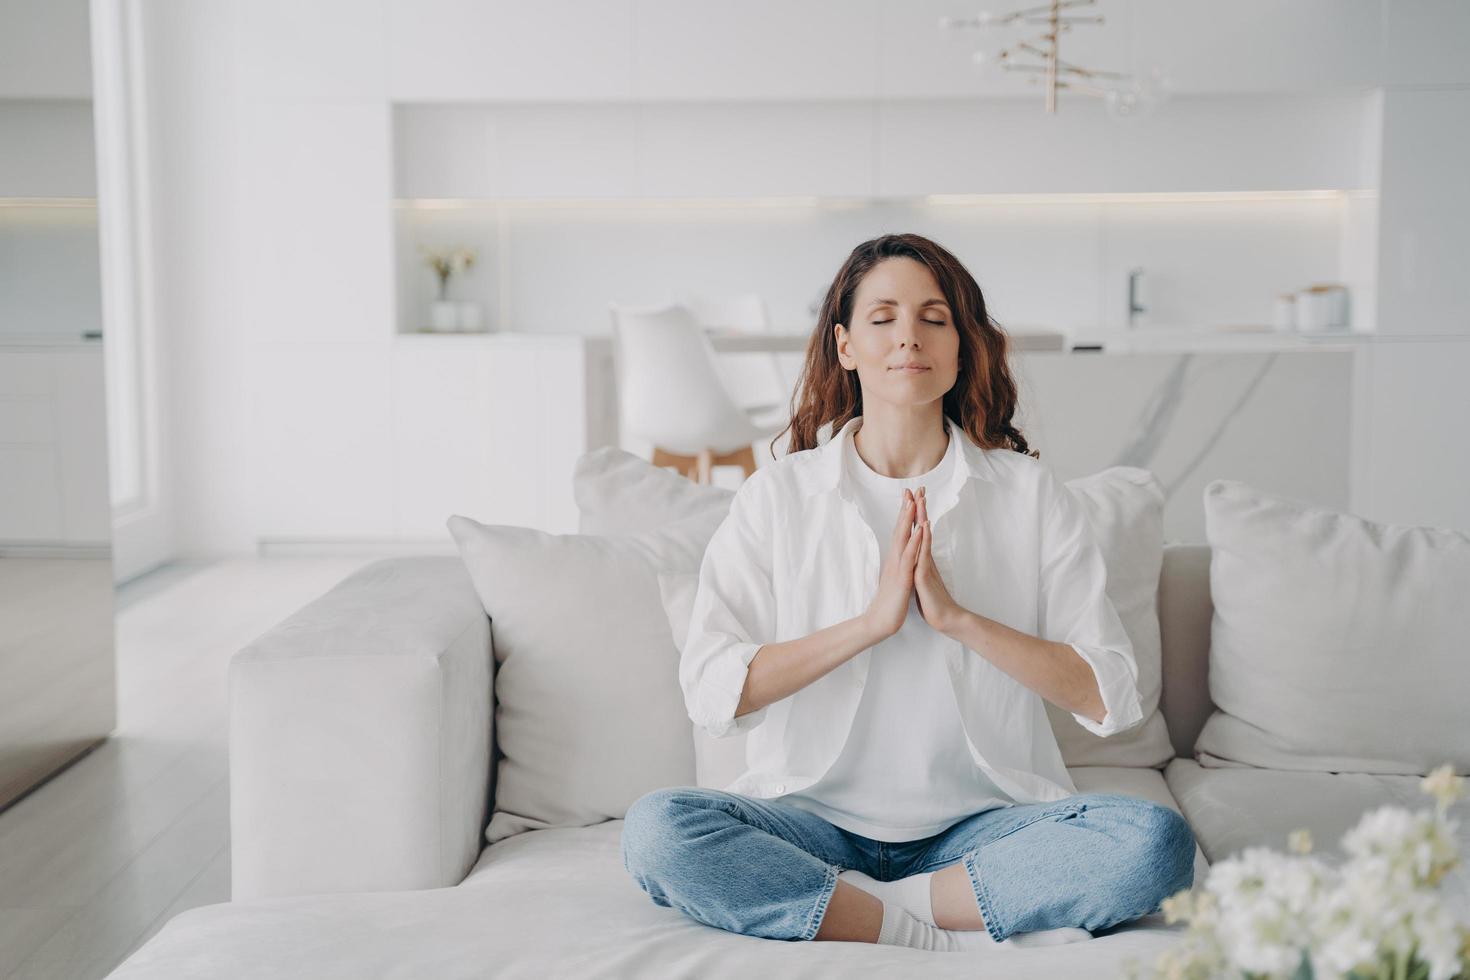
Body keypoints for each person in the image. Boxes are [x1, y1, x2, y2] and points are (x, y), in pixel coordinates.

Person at [620, 233, 1197, 953]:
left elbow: (1110, 695)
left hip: (984, 829)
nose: (908, 338)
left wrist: (957, 619)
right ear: (845, 346)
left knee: (1153, 843)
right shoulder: (779, 497)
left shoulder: (1027, 495)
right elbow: (712, 692)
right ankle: (921, 926)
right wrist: (869, 624)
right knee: (658, 831)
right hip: (811, 824)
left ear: (961, 348)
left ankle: (868, 909)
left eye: (934, 317)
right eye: (883, 317)